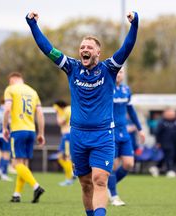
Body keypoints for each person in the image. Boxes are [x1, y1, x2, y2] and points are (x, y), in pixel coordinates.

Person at [26, 10, 139, 216]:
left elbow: (127, 47)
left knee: (100, 180)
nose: (84, 49)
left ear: (98, 52)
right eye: (82, 47)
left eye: (89, 47)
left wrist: (134, 24)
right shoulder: (71, 68)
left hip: (103, 135)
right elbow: (47, 48)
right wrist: (32, 25)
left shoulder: (109, 69)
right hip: (77, 135)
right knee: (86, 184)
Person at [3, 72, 46, 203]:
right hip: (31, 131)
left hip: (17, 130)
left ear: (12, 80)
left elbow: (7, 110)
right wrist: (41, 133)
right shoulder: (33, 92)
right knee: (24, 164)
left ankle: (36, 186)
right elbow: (40, 113)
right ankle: (17, 194)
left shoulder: (10, 89)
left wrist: (5, 127)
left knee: (16, 164)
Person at [108, 69, 145, 206]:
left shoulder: (126, 89)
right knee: (113, 165)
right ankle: (114, 196)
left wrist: (140, 129)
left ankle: (107, 186)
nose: (119, 74)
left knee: (129, 164)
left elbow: (131, 110)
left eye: (121, 72)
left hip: (124, 133)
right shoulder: (106, 87)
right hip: (110, 132)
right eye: (117, 72)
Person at [150, 108, 176, 177]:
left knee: (172, 156)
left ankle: (156, 167)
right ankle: (170, 171)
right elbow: (157, 133)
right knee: (170, 155)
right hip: (165, 143)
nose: (172, 115)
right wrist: (158, 142)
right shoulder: (162, 122)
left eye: (173, 113)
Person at [53, 100, 74, 186]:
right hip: (71, 135)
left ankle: (70, 177)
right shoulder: (71, 108)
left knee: (65, 157)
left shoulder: (66, 110)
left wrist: (58, 113)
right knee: (65, 157)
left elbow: (60, 122)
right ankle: (70, 176)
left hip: (67, 135)